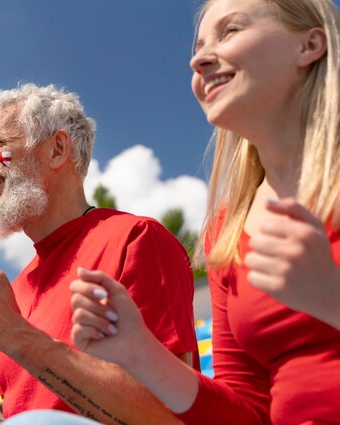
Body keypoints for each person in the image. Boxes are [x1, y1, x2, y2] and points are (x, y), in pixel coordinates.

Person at [70, 1, 340, 424]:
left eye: (230, 31)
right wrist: (139, 350)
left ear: (310, 45)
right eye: (198, 47)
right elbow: (246, 412)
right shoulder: (226, 233)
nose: (198, 59)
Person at [0, 83, 198, 424]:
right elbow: (21, 417)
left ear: (57, 149)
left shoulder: (135, 240)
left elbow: (171, 411)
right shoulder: (15, 291)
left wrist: (17, 336)